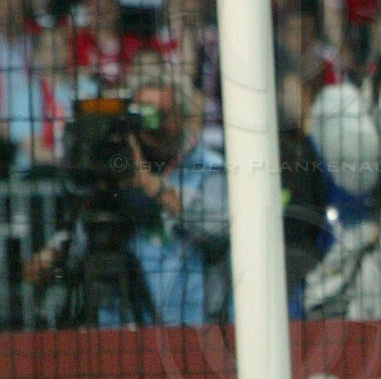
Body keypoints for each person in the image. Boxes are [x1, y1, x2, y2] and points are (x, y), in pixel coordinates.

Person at [25, 65, 228, 326]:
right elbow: (90, 228)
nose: (154, 126)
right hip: (125, 329)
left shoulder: (209, 168)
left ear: (184, 117)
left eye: (163, 115)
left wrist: (150, 184)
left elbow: (221, 230)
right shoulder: (117, 170)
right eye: (144, 114)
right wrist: (53, 253)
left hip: (193, 327)